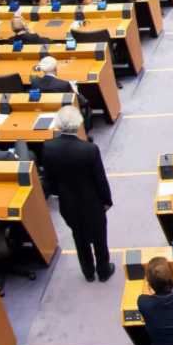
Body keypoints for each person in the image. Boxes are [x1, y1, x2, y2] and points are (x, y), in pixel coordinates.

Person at [44, 105, 115, 281]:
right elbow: (100, 179)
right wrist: (107, 200)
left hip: (68, 203)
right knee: (99, 238)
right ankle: (103, 271)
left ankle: (88, 272)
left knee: (79, 237)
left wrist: (59, 192)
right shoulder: (89, 150)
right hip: (92, 203)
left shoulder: (48, 147)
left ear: (59, 125)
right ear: (78, 124)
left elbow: (49, 180)